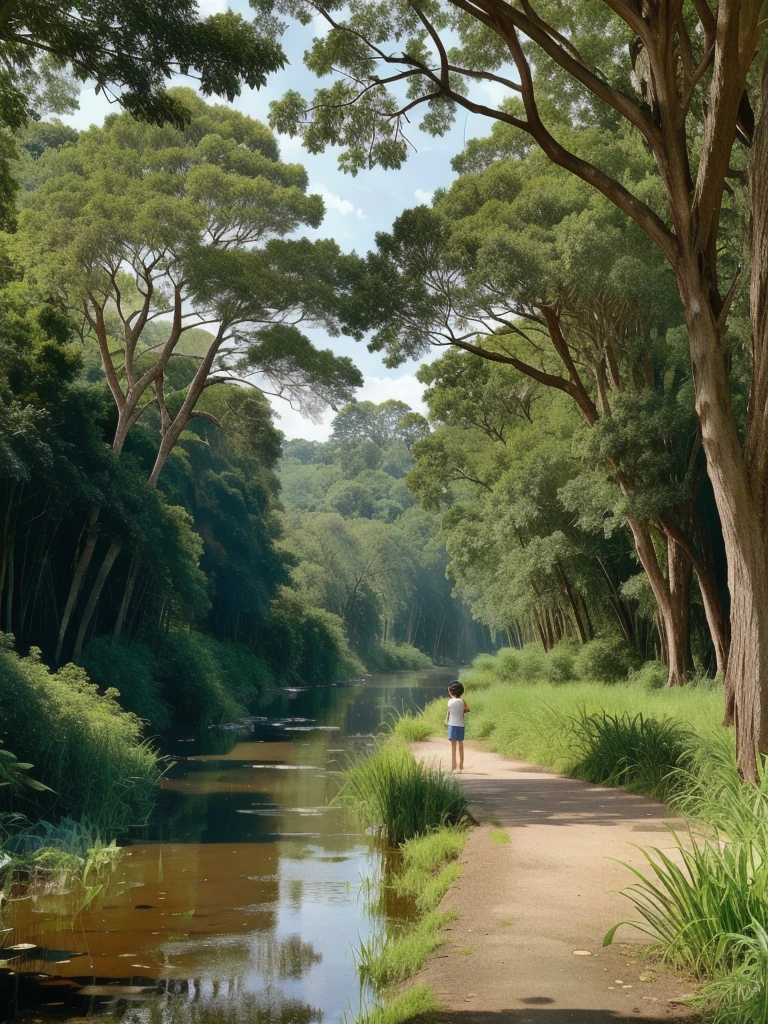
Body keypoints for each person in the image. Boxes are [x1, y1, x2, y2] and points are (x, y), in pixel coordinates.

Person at [445, 680, 470, 772]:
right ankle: (461, 764)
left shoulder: (450, 701)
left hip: (452, 725)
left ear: (451, 692)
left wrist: (446, 720)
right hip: (461, 725)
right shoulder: (462, 701)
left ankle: (453, 764)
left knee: (453, 746)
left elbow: (449, 711)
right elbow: (466, 710)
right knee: (460, 745)